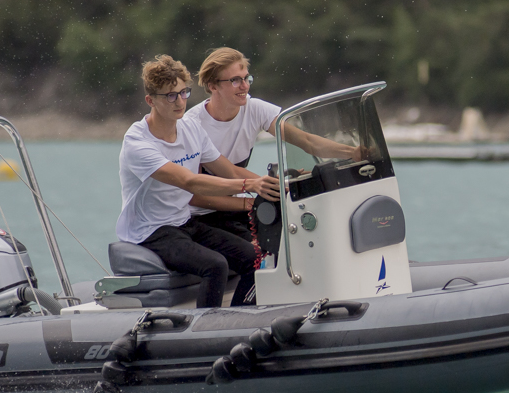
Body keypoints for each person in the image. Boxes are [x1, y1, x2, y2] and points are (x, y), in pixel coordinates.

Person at [116, 55, 278, 307]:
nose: (179, 101)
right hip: (150, 231)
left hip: (184, 221)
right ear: (150, 100)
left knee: (253, 256)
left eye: (183, 93)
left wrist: (277, 186)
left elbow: (230, 171)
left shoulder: (191, 128)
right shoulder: (138, 142)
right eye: (170, 96)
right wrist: (249, 187)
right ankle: (206, 329)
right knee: (215, 265)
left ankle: (239, 319)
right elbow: (190, 182)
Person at [184, 46, 361, 237]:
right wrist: (255, 202)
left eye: (246, 78)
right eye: (235, 80)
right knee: (253, 251)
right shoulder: (192, 124)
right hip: (201, 215)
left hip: (234, 207)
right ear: (213, 86)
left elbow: (307, 141)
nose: (245, 86)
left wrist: (353, 153)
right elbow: (195, 197)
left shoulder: (255, 109)